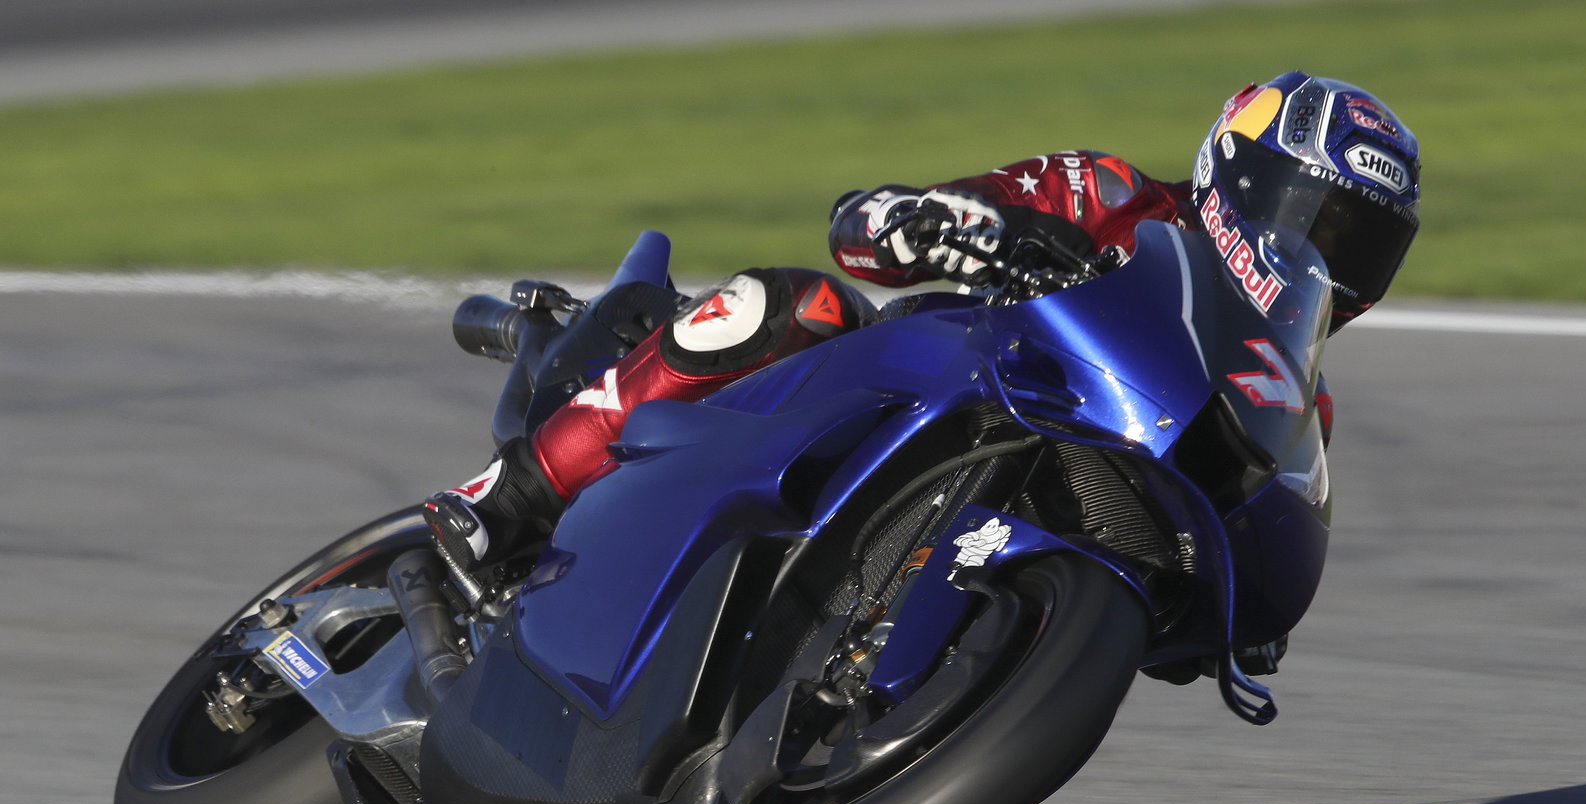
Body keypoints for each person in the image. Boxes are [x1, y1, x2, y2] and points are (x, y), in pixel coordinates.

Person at [424, 71, 1420, 588]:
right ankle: (509, 496)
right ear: (1235, 170)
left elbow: (1261, 542)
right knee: (794, 303)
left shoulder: (1292, 394)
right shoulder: (1105, 193)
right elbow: (869, 230)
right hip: (905, 383)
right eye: (1308, 210)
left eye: (1357, 241)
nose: (1319, 248)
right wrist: (943, 222)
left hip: (1022, 506)